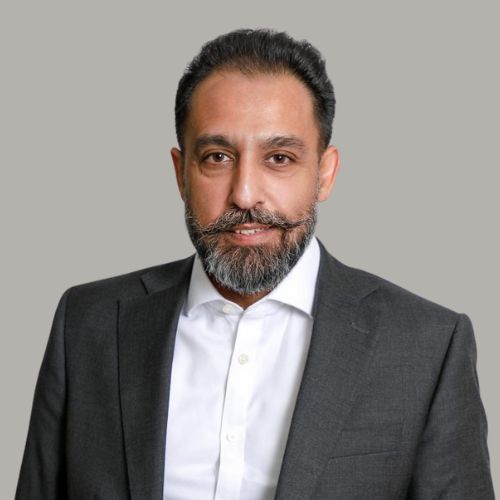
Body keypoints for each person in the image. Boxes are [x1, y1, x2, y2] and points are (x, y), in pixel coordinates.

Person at [16, 29, 494, 500]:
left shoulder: (427, 346)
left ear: (324, 174)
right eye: (217, 157)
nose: (244, 194)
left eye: (279, 158)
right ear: (181, 173)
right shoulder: (89, 324)